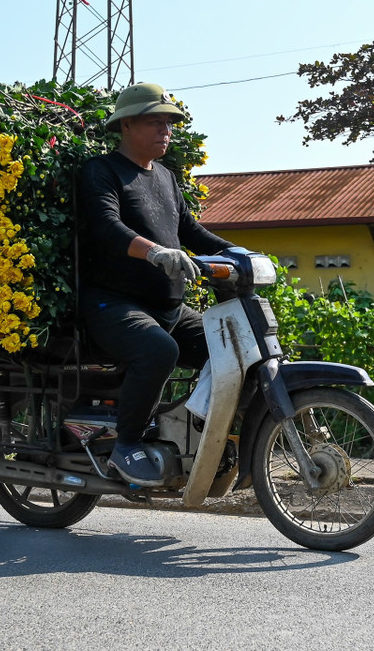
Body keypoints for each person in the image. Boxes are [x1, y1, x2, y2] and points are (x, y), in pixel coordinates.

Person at [77, 82, 233, 486]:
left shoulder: (165, 176)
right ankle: (126, 446)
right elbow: (106, 227)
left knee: (227, 349)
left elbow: (192, 233)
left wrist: (241, 253)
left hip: (168, 305)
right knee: (159, 350)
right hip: (113, 304)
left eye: (169, 123)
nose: (166, 130)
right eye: (155, 122)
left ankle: (191, 434)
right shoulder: (102, 171)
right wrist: (154, 252)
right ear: (126, 125)